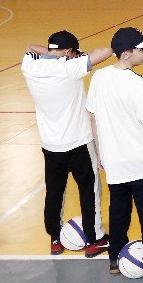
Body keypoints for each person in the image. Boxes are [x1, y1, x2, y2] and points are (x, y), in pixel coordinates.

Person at [87, 27, 143, 283]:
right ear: (126, 54)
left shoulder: (99, 77)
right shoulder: (139, 83)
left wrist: (101, 152)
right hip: (140, 163)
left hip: (114, 162)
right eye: (142, 50)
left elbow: (92, 118)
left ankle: (115, 258)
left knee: (118, 212)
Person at [21, 30, 112, 257]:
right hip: (79, 142)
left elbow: (31, 45)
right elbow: (105, 52)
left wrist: (60, 54)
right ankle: (95, 238)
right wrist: (73, 57)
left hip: (50, 145)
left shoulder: (29, 67)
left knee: (54, 192)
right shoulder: (69, 68)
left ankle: (54, 239)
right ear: (69, 52)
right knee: (89, 191)